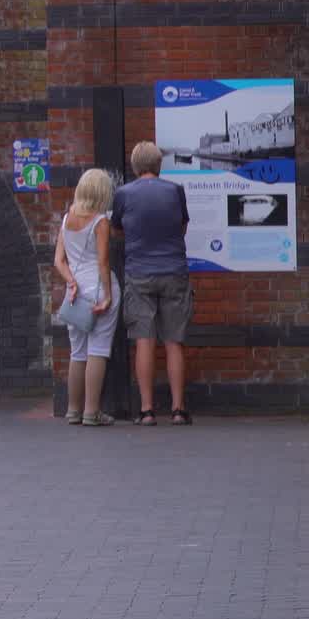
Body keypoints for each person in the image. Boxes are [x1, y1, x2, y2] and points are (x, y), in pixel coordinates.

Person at [113, 140, 193, 426]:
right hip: (174, 270)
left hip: (139, 273)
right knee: (174, 342)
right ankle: (178, 409)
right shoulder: (175, 191)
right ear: (159, 165)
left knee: (144, 342)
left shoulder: (123, 193)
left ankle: (147, 410)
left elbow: (118, 229)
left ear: (135, 166)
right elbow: (182, 227)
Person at [55, 168, 119, 426]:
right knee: (98, 350)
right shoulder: (100, 221)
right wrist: (108, 295)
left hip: (76, 292)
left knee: (77, 351)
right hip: (96, 289)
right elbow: (103, 261)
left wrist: (71, 282)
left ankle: (73, 410)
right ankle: (92, 412)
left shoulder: (66, 218)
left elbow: (59, 260)